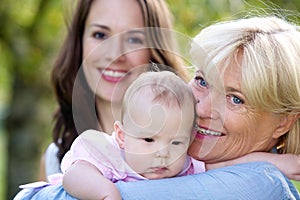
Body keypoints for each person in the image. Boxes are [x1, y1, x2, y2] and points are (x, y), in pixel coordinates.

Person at [15, 14, 300, 200]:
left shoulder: (261, 187)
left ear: (283, 122)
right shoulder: (182, 156)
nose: (201, 109)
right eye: (201, 80)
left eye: (236, 98)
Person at [39, 0, 190, 180]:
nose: (114, 55)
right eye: (100, 35)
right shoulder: (55, 161)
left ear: (154, 50)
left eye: (134, 39)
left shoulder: (193, 156)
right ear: (79, 44)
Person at [61, 71, 205, 199]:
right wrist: (106, 192)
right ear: (122, 136)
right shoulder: (110, 155)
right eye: (149, 140)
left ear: (190, 140)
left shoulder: (191, 167)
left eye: (176, 143)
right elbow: (72, 176)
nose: (163, 153)